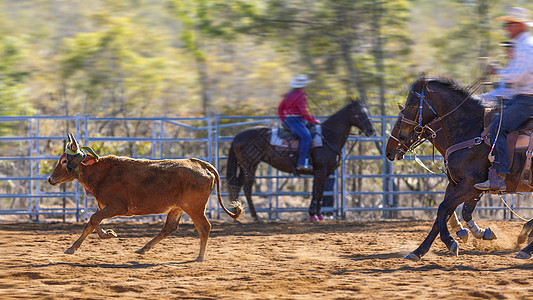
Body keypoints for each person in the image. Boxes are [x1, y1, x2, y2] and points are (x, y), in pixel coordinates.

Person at [475, 7, 533, 191]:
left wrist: (497, 71)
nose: (507, 28)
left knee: (498, 126)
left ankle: (499, 175)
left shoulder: (526, 46)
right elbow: (509, 85)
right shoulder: (521, 46)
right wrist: (479, 98)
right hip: (521, 98)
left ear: (519, 25)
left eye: (510, 24)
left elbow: (517, 76)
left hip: (527, 100)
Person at [278, 74, 320, 172]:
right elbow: (303, 112)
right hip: (296, 121)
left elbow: (280, 108)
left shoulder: (288, 95)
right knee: (306, 137)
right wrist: (313, 120)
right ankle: (301, 163)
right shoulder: (301, 96)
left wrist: (284, 119)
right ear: (303, 86)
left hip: (290, 120)